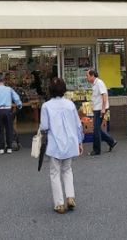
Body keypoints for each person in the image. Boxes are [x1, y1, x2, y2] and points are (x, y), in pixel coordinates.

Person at [40, 77, 84, 214]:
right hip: (70, 142)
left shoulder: (46, 106)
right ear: (64, 89)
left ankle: (59, 204)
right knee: (67, 170)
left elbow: (45, 127)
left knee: (55, 173)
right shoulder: (70, 104)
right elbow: (78, 125)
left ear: (50, 90)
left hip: (54, 144)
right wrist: (80, 141)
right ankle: (70, 197)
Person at [86, 69, 117, 156]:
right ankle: (111, 141)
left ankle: (96, 150)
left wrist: (103, 109)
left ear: (92, 76)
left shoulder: (99, 83)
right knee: (97, 129)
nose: (86, 78)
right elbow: (97, 97)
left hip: (100, 109)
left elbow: (104, 95)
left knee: (96, 130)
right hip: (97, 109)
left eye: (87, 76)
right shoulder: (94, 84)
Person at [0, 75, 22, 154]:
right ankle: (9, 148)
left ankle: (1, 148)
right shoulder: (9, 89)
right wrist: (19, 105)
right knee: (9, 129)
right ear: (4, 81)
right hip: (8, 110)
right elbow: (16, 98)